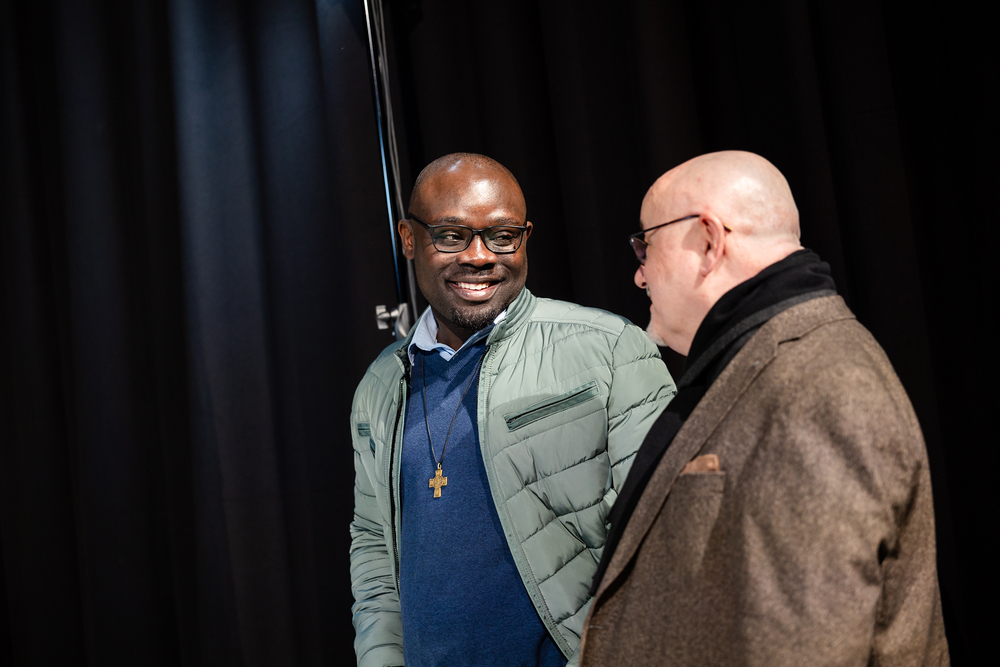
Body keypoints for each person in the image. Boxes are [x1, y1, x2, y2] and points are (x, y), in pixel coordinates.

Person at [580, 151, 949, 666]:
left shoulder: (818, 383)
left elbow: (808, 649)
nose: (640, 276)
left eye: (647, 245)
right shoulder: (764, 361)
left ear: (709, 240)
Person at [349, 153, 676, 667]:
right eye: (451, 236)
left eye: (502, 237)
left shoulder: (610, 348)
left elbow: (668, 532)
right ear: (409, 239)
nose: (480, 256)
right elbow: (373, 543)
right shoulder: (381, 384)